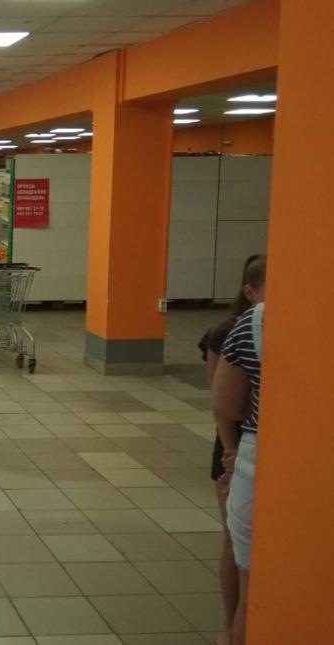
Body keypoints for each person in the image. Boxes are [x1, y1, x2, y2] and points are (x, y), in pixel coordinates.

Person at [199, 254, 265, 645]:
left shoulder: (248, 326)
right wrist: (230, 452)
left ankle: (233, 628)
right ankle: (230, 626)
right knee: (238, 548)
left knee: (248, 563)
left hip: (247, 453)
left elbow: (224, 401)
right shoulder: (229, 331)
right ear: (250, 291)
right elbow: (222, 405)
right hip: (239, 451)